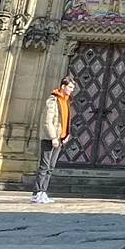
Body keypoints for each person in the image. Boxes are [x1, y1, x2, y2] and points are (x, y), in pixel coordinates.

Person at [32, 74, 75, 202]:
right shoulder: (53, 101)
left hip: (59, 138)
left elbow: (65, 120)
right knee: (44, 166)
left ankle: (43, 192)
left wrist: (66, 135)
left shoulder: (66, 101)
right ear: (63, 86)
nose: (72, 90)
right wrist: (53, 137)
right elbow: (47, 121)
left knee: (50, 167)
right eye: (70, 87)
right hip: (50, 138)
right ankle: (37, 193)